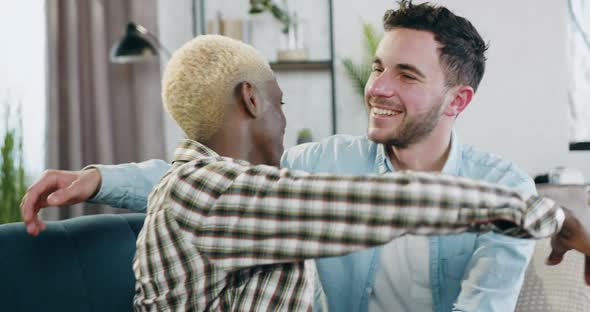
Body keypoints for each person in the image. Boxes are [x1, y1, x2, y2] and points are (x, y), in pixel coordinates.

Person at [20, 1, 590, 312]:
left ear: (457, 99)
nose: (378, 87)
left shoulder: (503, 184)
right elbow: (220, 184)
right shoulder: (327, 161)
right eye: (377, 66)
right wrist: (98, 179)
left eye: (406, 74)